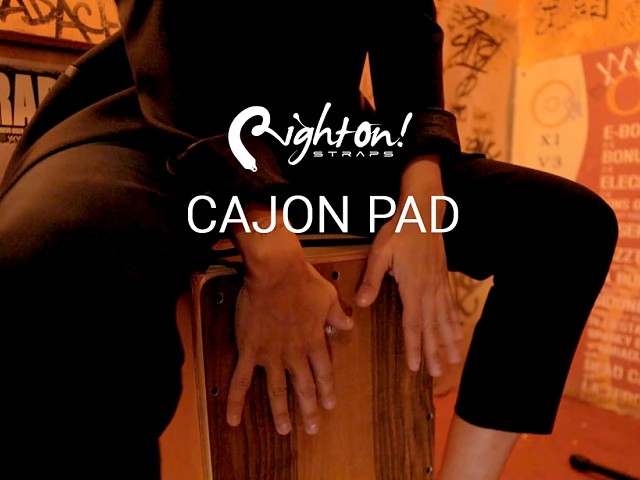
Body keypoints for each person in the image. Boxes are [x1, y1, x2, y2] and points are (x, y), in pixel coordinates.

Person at [0, 1, 617, 479]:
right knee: (49, 256)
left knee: (568, 227)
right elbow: (174, 25)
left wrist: (422, 191)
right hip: (172, 111)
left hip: (322, 134)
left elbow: (405, 21)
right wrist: (264, 238)